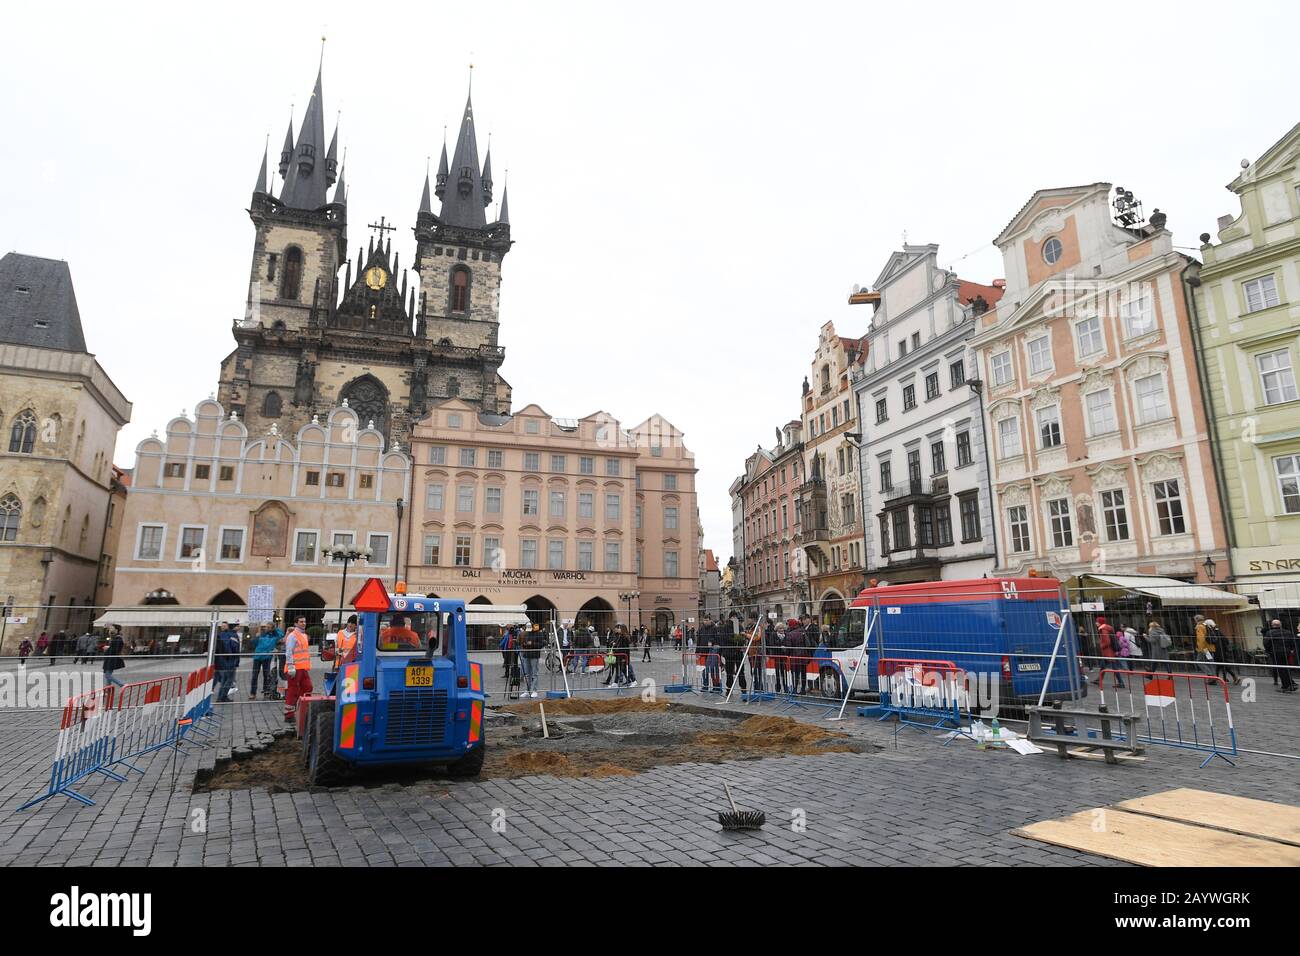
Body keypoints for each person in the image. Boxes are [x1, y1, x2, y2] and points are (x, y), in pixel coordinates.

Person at [283, 615, 313, 723]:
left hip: (303, 668)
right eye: (301, 622)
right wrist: (291, 666)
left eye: (304, 621)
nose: (303, 623)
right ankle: (289, 714)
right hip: (294, 668)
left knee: (308, 687)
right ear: (295, 623)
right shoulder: (292, 636)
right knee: (293, 690)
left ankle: (300, 707)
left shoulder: (304, 635)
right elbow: (289, 651)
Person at [1264, 619, 1295, 692]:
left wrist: (1268, 651)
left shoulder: (1269, 633)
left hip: (1276, 653)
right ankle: (1290, 684)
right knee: (1286, 668)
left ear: (1272, 625)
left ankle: (1285, 686)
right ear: (1280, 625)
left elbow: (1266, 643)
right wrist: (1291, 649)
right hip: (1286, 652)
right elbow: (1292, 642)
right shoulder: (1288, 632)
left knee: (1281, 669)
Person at [1206, 619, 1240, 685]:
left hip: (1217, 651)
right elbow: (1226, 640)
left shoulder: (1212, 632)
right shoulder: (1218, 631)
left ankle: (1234, 676)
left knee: (1222, 665)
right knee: (1219, 665)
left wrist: (1207, 638)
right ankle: (1216, 679)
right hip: (1223, 651)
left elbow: (1211, 641)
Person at [250, 624, 279, 699]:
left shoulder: (274, 636)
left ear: (272, 628)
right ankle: (253, 693)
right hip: (257, 657)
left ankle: (266, 691)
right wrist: (257, 636)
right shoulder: (261, 634)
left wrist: (275, 630)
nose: (266, 628)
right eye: (266, 627)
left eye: (269, 627)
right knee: (254, 676)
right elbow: (253, 643)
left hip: (267, 657)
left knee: (266, 675)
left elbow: (281, 634)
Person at [215, 622, 240, 702]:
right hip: (230, 660)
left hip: (222, 660)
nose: (239, 628)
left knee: (224, 679)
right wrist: (236, 660)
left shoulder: (221, 634)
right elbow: (235, 648)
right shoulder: (233, 635)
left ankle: (220, 697)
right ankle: (222, 696)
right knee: (229, 679)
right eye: (237, 626)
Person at [519, 623, 544, 697]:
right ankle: (527, 690)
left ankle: (534, 690)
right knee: (527, 674)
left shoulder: (539, 634)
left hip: (534, 656)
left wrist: (532, 643)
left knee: (534, 674)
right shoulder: (527, 634)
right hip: (526, 655)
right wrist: (524, 644)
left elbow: (541, 644)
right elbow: (523, 644)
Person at [786, 618, 808, 695]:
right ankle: (803, 689)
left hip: (794, 656)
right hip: (804, 655)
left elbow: (789, 647)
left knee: (795, 673)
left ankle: (795, 689)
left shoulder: (790, 634)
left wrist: (787, 653)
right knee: (803, 672)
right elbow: (807, 643)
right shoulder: (803, 631)